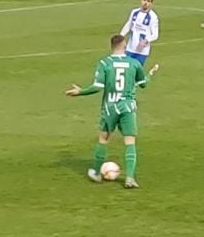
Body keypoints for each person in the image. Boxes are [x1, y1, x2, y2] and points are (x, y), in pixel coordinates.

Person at [66, 34, 159, 189]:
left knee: (103, 139)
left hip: (110, 107)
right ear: (124, 45)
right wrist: (151, 74)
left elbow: (97, 87)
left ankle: (95, 173)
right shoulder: (134, 63)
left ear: (112, 46)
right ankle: (129, 178)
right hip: (128, 106)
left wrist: (80, 92)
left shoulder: (104, 63)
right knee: (130, 142)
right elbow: (143, 84)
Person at [120, 0, 159, 65]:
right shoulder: (134, 12)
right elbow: (129, 25)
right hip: (130, 49)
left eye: (148, 1)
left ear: (151, 3)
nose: (145, 3)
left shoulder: (153, 17)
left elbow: (155, 35)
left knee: (135, 73)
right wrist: (121, 36)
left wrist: (146, 41)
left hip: (142, 52)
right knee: (127, 72)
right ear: (141, 0)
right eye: (144, 0)